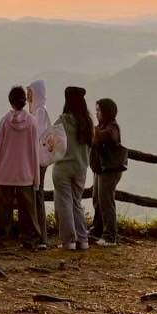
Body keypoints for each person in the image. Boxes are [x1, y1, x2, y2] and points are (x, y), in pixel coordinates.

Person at [0, 86, 42, 248]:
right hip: (25, 174)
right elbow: (35, 152)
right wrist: (36, 179)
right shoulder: (32, 122)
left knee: (3, 210)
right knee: (28, 211)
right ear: (24, 102)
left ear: (10, 101)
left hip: (5, 173)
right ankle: (30, 239)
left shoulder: (4, 122)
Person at [52, 86, 94, 251]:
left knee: (64, 203)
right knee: (76, 202)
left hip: (63, 167)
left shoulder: (62, 121)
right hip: (80, 167)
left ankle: (68, 241)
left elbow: (51, 140)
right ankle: (83, 240)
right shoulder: (87, 122)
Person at [90, 98, 128, 247]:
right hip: (101, 168)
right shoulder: (102, 126)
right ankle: (98, 230)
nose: (97, 113)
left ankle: (110, 236)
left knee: (106, 201)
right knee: (97, 200)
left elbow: (105, 136)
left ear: (106, 112)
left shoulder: (112, 127)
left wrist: (90, 129)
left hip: (110, 169)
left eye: (99, 110)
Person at [27, 80, 52, 249]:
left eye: (30, 92)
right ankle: (38, 235)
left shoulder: (40, 111)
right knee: (36, 194)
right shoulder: (36, 110)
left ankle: (41, 237)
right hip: (35, 160)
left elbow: (37, 137)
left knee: (37, 195)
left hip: (38, 160)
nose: (28, 95)